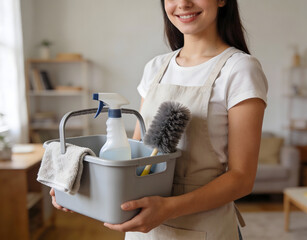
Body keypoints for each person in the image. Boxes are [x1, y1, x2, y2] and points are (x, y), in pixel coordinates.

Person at [51, 0, 267, 239]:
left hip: (204, 226)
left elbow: (242, 179)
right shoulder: (155, 68)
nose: (183, 3)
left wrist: (169, 208)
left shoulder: (239, 69)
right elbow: (136, 156)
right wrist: (80, 185)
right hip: (142, 227)